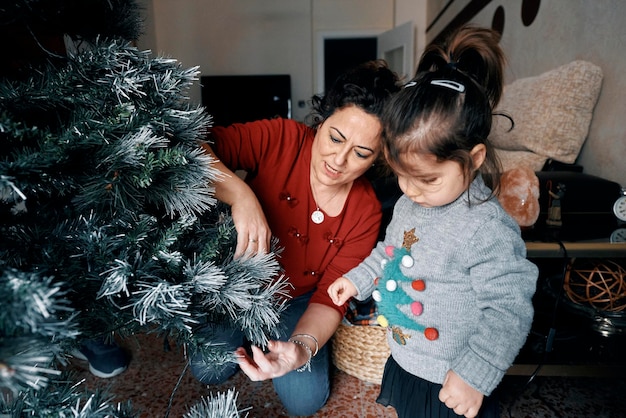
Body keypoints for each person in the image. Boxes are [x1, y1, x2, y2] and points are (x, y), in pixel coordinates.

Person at [327, 25, 538, 418]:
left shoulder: (485, 227)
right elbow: (390, 252)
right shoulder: (410, 204)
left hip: (453, 377)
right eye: (400, 175)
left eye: (426, 179)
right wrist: (356, 279)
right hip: (409, 363)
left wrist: (474, 373)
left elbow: (508, 309)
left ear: (473, 159)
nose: (410, 190)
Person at [192, 60, 401, 416]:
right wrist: (240, 195)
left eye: (361, 153)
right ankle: (249, 333)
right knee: (208, 370)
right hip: (237, 285)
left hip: (299, 302)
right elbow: (193, 146)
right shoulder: (282, 138)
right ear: (321, 120)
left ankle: (269, 339)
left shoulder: (366, 210)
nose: (339, 159)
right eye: (336, 138)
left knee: (305, 402)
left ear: (378, 157)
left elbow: (329, 297)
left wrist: (301, 349)